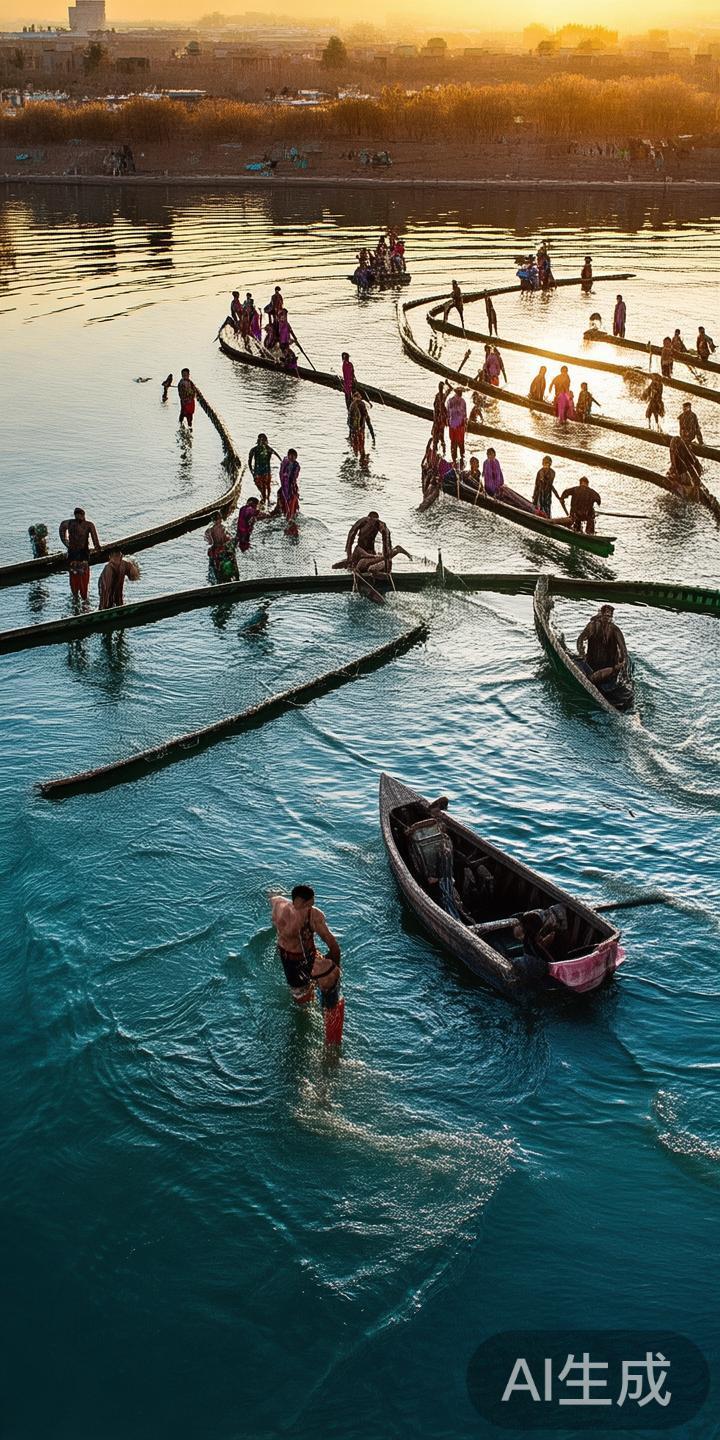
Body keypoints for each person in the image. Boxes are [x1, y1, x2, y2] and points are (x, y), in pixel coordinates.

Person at [270, 885, 344, 1044]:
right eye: (310, 902)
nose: (312, 905)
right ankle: (332, 1043)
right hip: (303, 960)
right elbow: (333, 945)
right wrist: (336, 967)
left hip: (287, 960)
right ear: (304, 902)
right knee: (332, 976)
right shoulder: (312, 915)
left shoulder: (278, 904)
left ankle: (307, 1001)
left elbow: (272, 895)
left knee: (302, 1003)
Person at [335, 512, 410, 577]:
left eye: (375, 521)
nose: (373, 524)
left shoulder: (381, 525)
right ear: (368, 519)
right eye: (371, 521)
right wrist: (348, 555)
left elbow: (386, 543)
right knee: (337, 566)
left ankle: (396, 550)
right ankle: (395, 551)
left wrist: (388, 569)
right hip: (363, 552)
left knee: (378, 562)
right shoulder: (363, 521)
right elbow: (351, 534)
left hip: (368, 553)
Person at [576, 604, 628, 690]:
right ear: (601, 615)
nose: (607, 619)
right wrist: (582, 654)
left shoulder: (615, 630)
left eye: (609, 617)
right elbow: (580, 640)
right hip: (591, 665)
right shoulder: (592, 626)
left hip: (608, 669)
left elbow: (624, 652)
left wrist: (624, 673)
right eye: (606, 616)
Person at [59, 507, 101, 602]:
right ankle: (83, 598)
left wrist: (66, 543)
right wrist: (99, 552)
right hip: (81, 555)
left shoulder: (69, 523)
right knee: (83, 579)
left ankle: (76, 597)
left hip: (74, 555)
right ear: (83, 515)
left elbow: (61, 529)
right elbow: (95, 541)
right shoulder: (88, 525)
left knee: (75, 578)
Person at [248, 432, 280, 505]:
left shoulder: (268, 449)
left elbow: (277, 456)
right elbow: (249, 461)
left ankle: (266, 498)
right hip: (258, 471)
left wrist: (283, 463)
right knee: (260, 485)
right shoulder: (254, 450)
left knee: (267, 485)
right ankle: (264, 497)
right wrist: (251, 471)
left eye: (263, 440)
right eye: (260, 440)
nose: (262, 442)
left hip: (265, 471)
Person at [205, 511, 238, 581]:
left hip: (216, 550)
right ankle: (235, 575)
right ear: (218, 519)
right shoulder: (223, 527)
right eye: (220, 518)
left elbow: (210, 542)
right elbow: (227, 538)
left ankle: (218, 573)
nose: (221, 520)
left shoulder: (209, 530)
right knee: (232, 555)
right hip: (222, 549)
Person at [347, 390, 375, 464]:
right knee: (361, 446)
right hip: (360, 428)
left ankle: (355, 458)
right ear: (360, 397)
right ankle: (362, 461)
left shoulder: (351, 405)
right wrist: (372, 434)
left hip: (353, 429)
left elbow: (349, 419)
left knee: (355, 446)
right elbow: (365, 416)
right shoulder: (361, 404)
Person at [277, 448, 301, 531]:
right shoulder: (285, 462)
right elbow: (281, 473)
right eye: (290, 456)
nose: (291, 458)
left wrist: (292, 487)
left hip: (290, 486)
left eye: (293, 456)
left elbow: (294, 478)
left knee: (291, 501)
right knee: (282, 497)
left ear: (296, 457)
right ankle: (286, 514)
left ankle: (290, 517)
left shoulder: (296, 465)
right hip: (284, 486)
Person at [446, 386, 468, 465]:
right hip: (459, 425)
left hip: (453, 425)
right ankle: (461, 459)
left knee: (454, 442)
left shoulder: (450, 401)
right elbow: (465, 415)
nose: (461, 393)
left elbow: (447, 414)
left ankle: (454, 460)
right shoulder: (462, 401)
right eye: (460, 392)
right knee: (460, 443)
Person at [432, 381, 448, 452]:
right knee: (440, 435)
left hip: (439, 418)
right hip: (440, 418)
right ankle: (442, 450)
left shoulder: (440, 395)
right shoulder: (441, 395)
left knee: (439, 435)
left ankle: (441, 450)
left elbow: (436, 405)